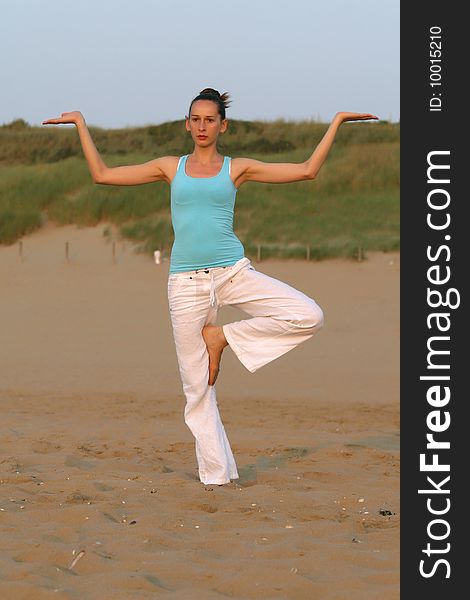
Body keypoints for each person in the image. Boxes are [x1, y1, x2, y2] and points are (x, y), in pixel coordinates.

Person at [43, 89, 378, 486]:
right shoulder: (171, 167)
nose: (202, 126)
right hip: (185, 285)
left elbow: (306, 170)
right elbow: (103, 175)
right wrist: (81, 123)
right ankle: (218, 479)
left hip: (232, 274)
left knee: (308, 315)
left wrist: (337, 120)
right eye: (195, 119)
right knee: (197, 388)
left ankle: (223, 338)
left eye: (210, 120)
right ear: (187, 124)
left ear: (223, 125)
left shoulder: (237, 168)